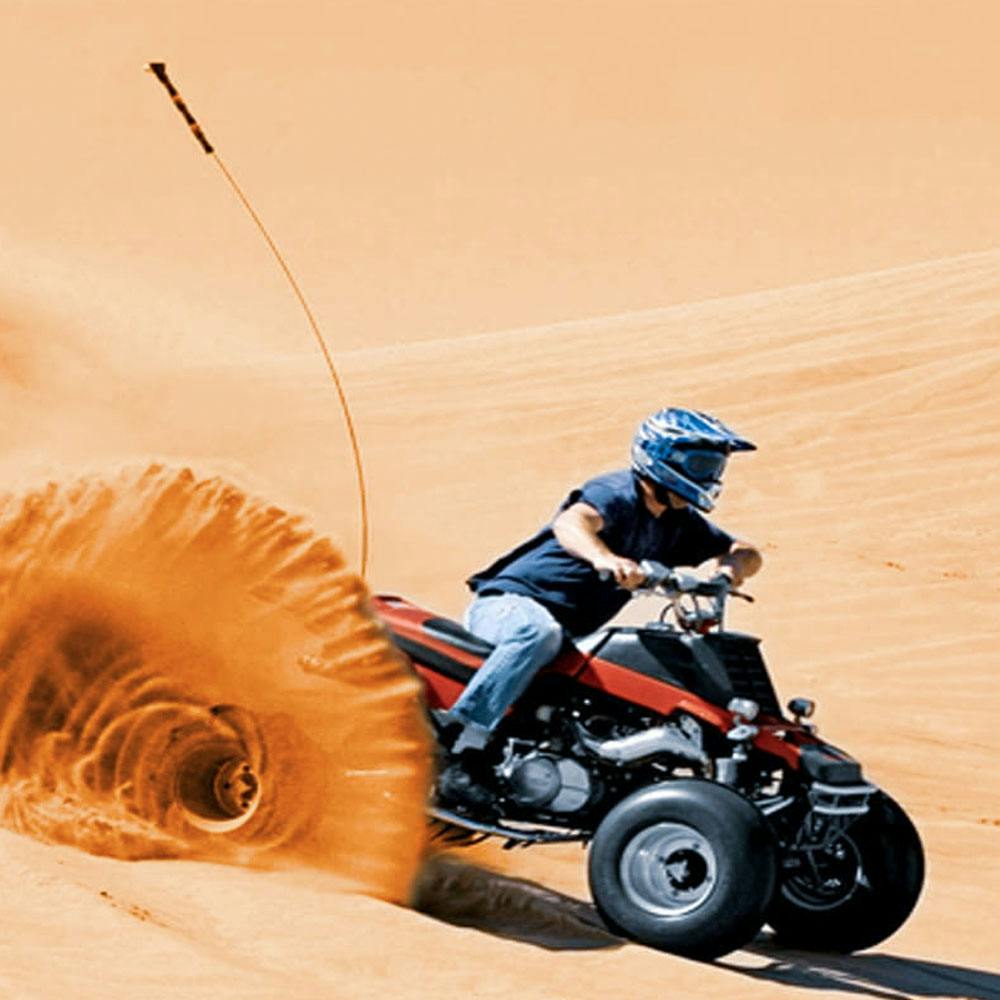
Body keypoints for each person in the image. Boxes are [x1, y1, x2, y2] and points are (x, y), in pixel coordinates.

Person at [443, 406, 763, 755]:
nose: (711, 476)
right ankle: (459, 737)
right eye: (702, 464)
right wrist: (605, 558)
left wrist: (727, 574)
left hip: (571, 634)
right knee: (537, 634)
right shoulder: (617, 492)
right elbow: (572, 523)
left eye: (716, 467)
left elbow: (745, 551)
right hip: (510, 604)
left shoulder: (679, 522)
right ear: (661, 455)